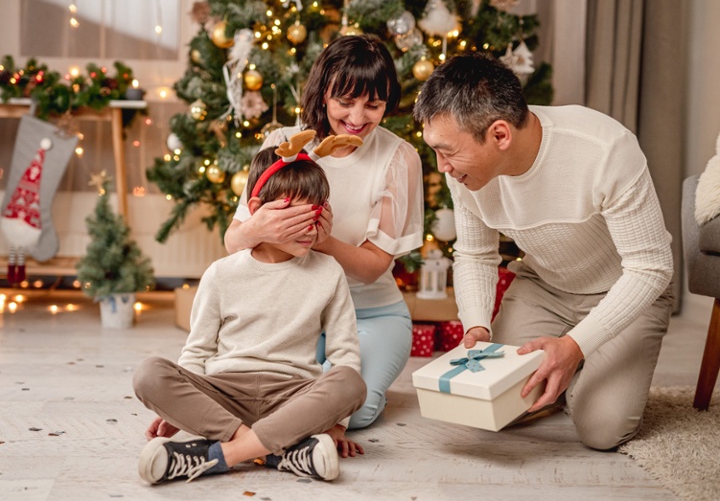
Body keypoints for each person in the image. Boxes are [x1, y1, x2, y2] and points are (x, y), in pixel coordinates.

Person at [412, 52, 674, 451]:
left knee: (600, 430)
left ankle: (583, 360)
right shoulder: (462, 170)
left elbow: (651, 268)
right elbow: (475, 254)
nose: (441, 166)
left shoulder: (604, 149)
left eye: (447, 151)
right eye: (434, 150)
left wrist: (574, 346)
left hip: (624, 287)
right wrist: (477, 326)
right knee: (489, 406)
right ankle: (575, 360)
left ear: (500, 135)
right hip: (546, 286)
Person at [133, 140, 367, 485]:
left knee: (350, 382)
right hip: (224, 392)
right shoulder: (222, 273)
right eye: (294, 216)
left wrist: (336, 425)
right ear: (257, 209)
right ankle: (281, 452)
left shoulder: (328, 271)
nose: (307, 229)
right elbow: (197, 352)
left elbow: (344, 353)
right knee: (149, 373)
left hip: (291, 396)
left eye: (315, 216)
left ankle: (219, 455)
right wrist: (184, 410)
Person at [224, 34, 424, 429]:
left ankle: (346, 388)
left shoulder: (400, 158)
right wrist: (257, 228)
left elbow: (372, 268)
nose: (358, 117)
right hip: (294, 311)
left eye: (374, 104)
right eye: (345, 102)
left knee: (352, 411)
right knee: (269, 396)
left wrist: (323, 241)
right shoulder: (284, 144)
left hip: (369, 314)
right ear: (323, 94)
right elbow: (233, 243)